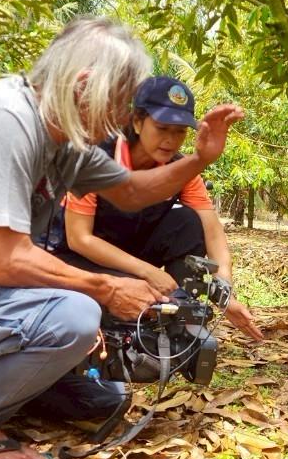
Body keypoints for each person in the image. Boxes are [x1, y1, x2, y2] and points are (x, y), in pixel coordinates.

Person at [0, 16, 242, 459]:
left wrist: (199, 158)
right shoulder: (6, 120)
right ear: (83, 86)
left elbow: (132, 191)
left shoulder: (61, 139)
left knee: (101, 397)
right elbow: (5, 261)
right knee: (75, 315)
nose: (120, 120)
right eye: (117, 104)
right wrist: (106, 288)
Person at [47, 76, 262, 341]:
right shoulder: (95, 158)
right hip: (76, 257)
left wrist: (224, 293)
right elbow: (79, 238)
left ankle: (179, 319)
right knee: (124, 301)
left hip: (130, 254)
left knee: (187, 221)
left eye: (179, 131)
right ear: (137, 122)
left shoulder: (182, 169)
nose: (170, 140)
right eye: (161, 128)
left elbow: (213, 232)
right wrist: (147, 273)